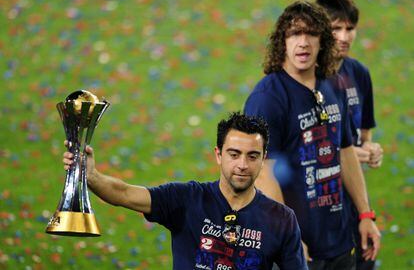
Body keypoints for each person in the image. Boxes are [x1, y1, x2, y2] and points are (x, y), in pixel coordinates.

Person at [62, 112, 308, 270]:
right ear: (218, 155)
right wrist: (90, 176)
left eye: (252, 156)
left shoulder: (282, 220)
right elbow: (123, 193)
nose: (242, 165)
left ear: (263, 158)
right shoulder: (186, 199)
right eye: (234, 154)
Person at [243, 1, 381, 269]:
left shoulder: (332, 84)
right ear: (282, 41)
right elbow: (263, 172)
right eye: (294, 34)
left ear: (323, 41)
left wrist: (365, 214)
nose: (303, 42)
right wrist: (288, 234)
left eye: (311, 34)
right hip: (297, 247)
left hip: (340, 240)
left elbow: (345, 151)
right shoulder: (267, 98)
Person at [316, 0, 384, 270]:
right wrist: (345, 153)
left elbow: (363, 137)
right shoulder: (308, 76)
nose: (344, 37)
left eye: (350, 28)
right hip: (316, 203)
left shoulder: (359, 73)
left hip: (352, 200)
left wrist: (371, 149)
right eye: (336, 28)